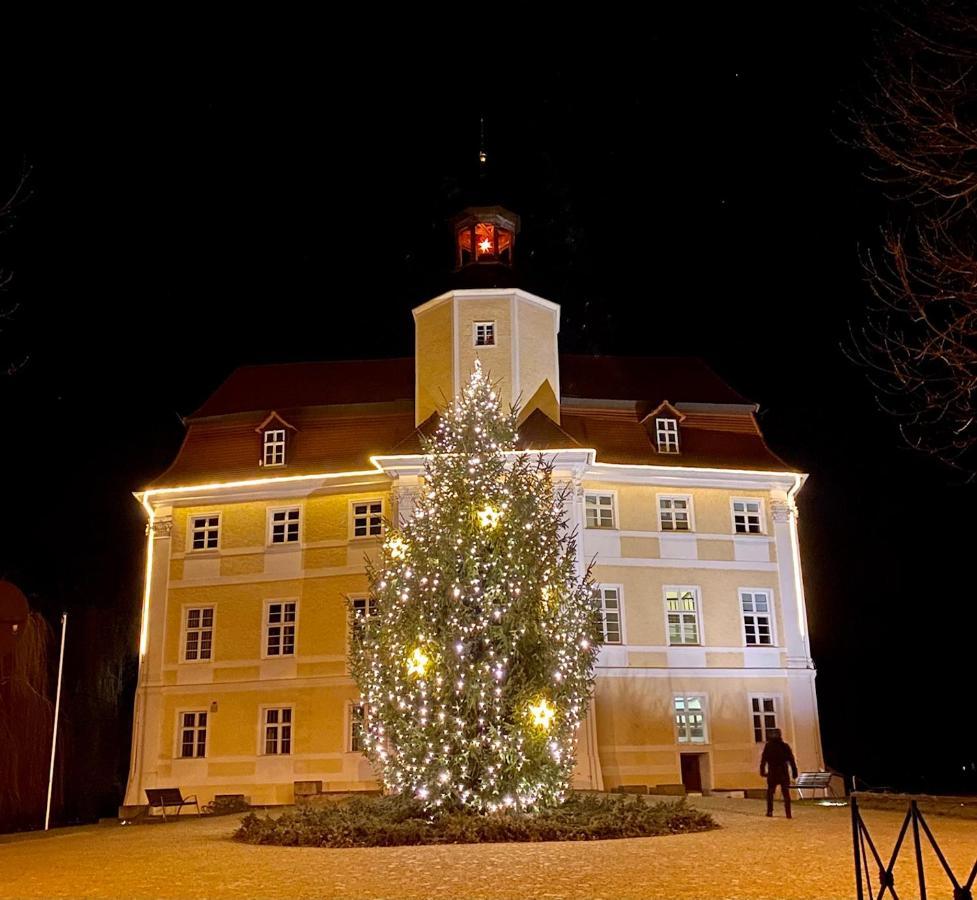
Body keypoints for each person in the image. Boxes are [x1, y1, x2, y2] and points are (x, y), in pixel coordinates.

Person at [760, 728, 798, 818]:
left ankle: (770, 811)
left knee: (770, 793)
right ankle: (788, 813)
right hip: (783, 772)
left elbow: (763, 760)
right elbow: (791, 760)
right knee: (785, 793)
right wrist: (794, 772)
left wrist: (762, 771)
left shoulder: (768, 746)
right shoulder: (784, 746)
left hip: (773, 772)